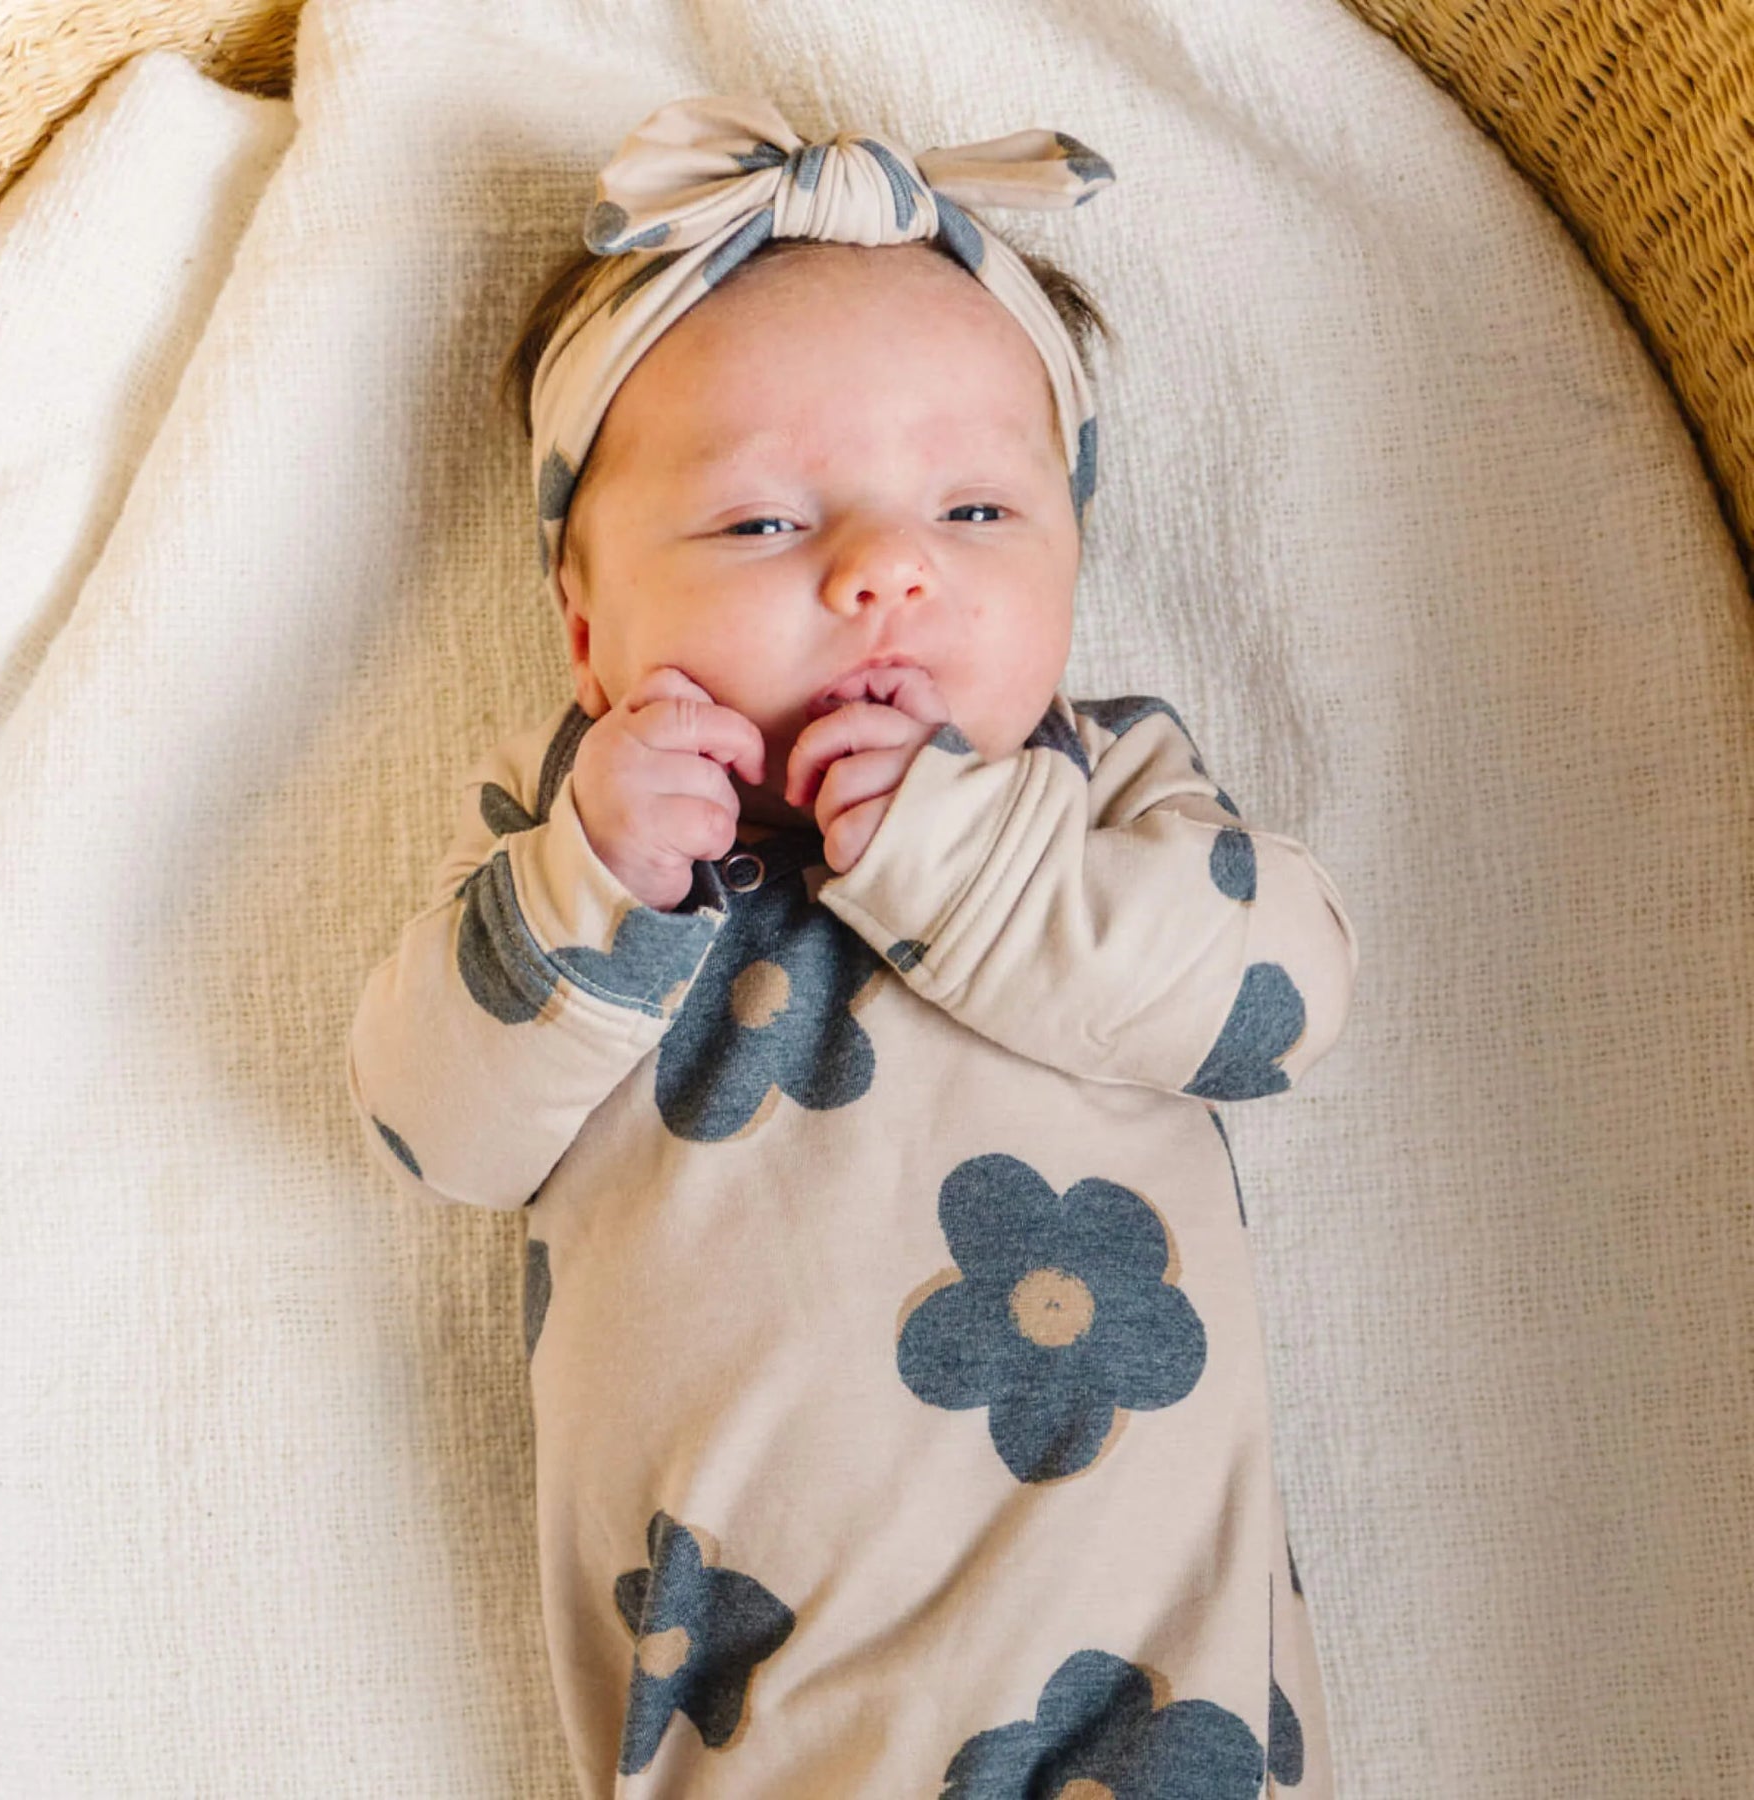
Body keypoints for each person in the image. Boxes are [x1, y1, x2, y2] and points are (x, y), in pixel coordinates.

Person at [346, 92, 1359, 1798]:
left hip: (1144, 1711)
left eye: (977, 514)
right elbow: (431, 1122)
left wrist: (964, 859)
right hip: (754, 1724)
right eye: (763, 522)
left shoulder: (1099, 793)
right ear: (589, 630)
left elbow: (1286, 996)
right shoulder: (572, 837)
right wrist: (596, 875)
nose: (888, 570)